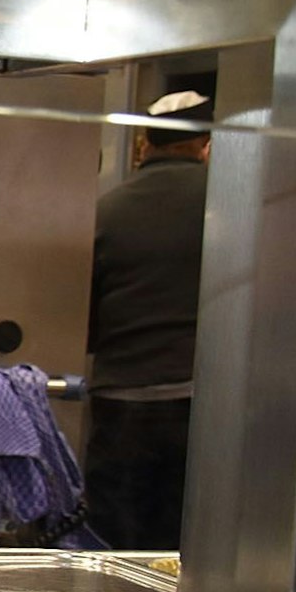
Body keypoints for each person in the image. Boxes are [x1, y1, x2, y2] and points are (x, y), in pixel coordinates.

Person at [84, 88, 212, 551]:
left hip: (122, 401)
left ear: (145, 144)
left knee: (116, 540)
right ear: (207, 145)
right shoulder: (227, 210)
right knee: (186, 543)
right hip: (199, 402)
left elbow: (85, 313)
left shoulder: (108, 209)